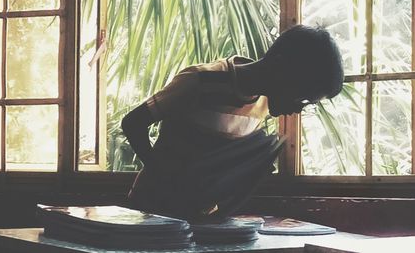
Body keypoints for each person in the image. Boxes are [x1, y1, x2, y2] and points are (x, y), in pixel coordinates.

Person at [121, 25, 344, 220]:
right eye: (303, 97)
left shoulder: (264, 103)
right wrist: (165, 176)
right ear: (281, 68)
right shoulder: (199, 81)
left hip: (200, 217)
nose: (298, 109)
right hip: (151, 210)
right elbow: (132, 123)